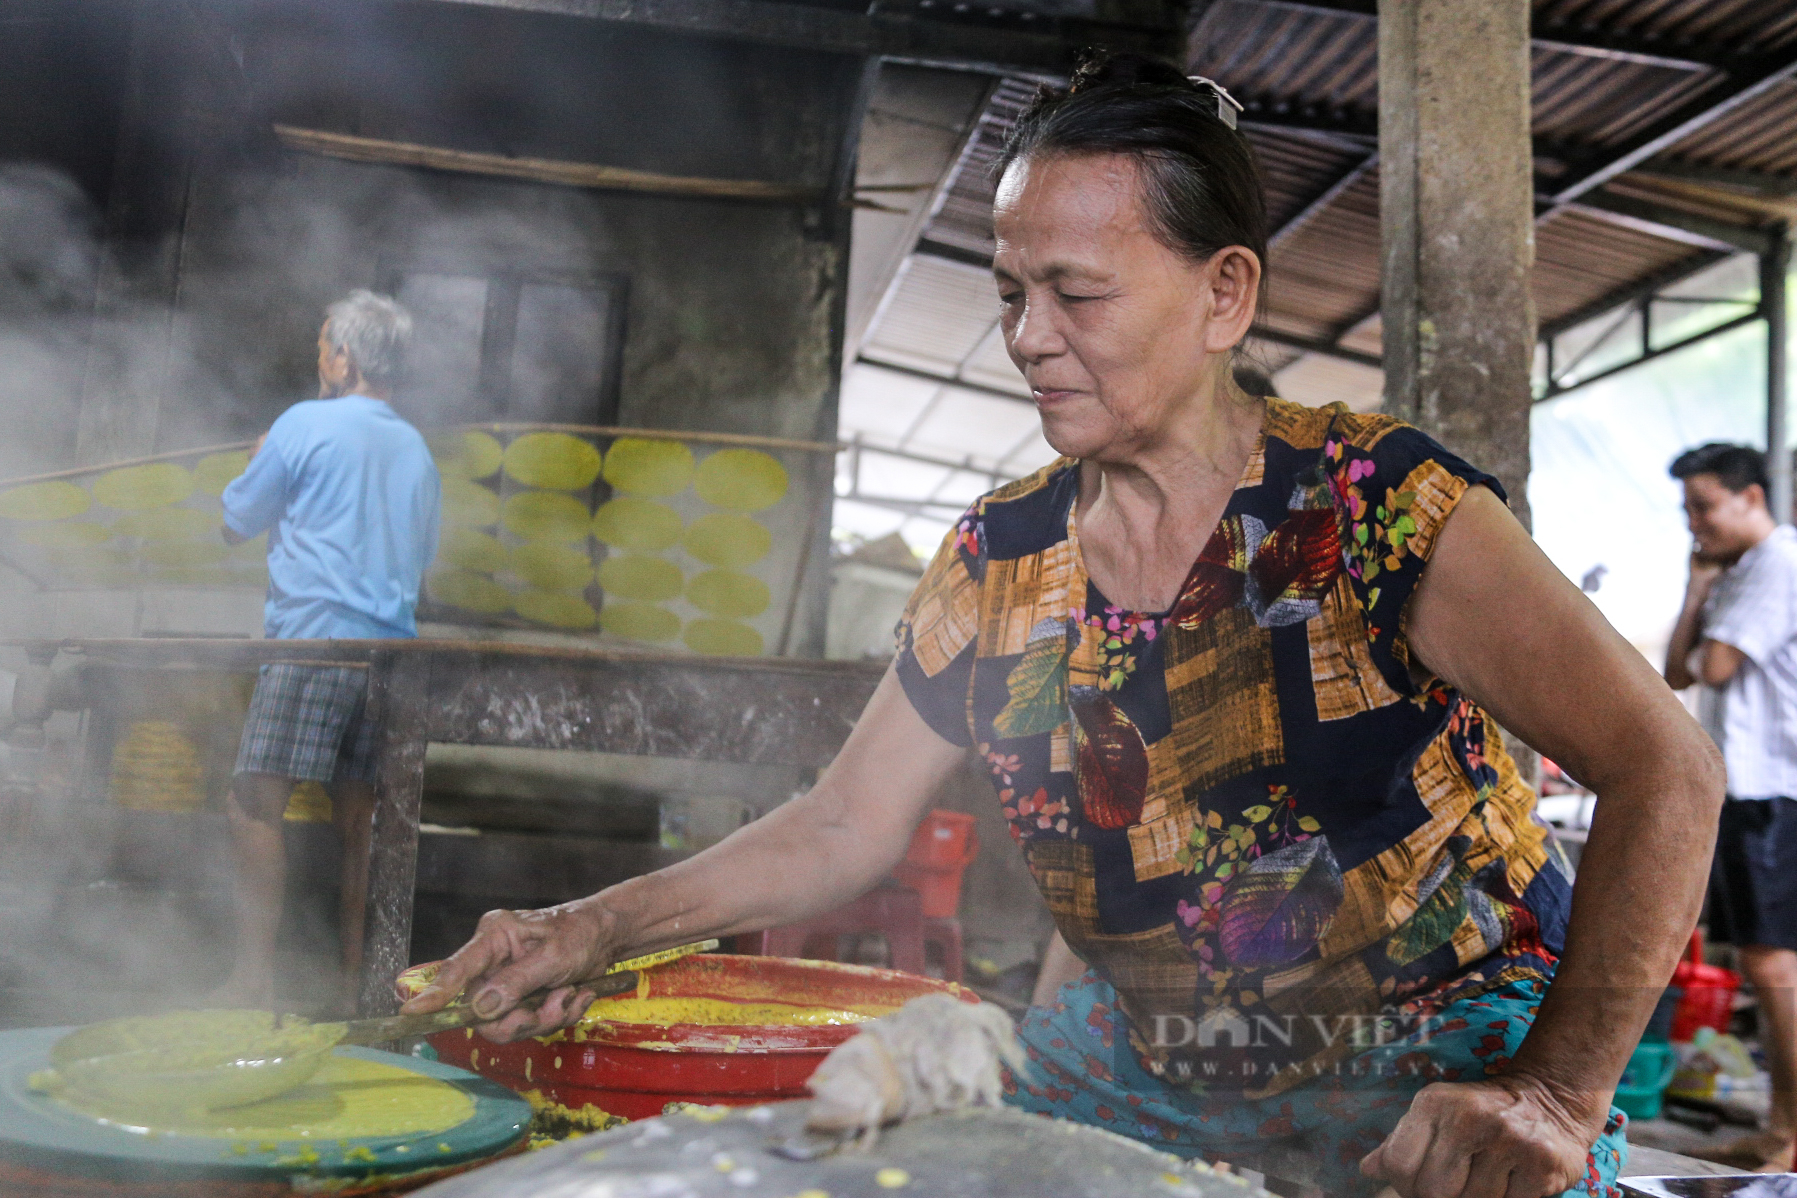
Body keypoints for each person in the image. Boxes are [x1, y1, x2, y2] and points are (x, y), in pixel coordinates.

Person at [404, 56, 1721, 1198]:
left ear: (1224, 297)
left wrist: (1554, 1093)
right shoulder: (1002, 555)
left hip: (1443, 1102)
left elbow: (1668, 767)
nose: (1027, 338)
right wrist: (589, 925)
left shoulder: (1375, 507)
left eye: (1076, 295)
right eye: (1008, 292)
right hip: (1150, 1081)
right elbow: (839, 823)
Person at [215, 289, 441, 1011]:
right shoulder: (415, 447)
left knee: (253, 804)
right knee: (360, 825)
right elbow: (422, 552)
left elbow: (234, 520)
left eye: (322, 348)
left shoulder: (303, 425)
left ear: (344, 357)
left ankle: (252, 981)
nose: (319, 361)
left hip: (313, 644)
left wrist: (258, 458)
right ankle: (357, 985)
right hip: (391, 657)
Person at [1664, 442, 1797, 1171]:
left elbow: (1712, 665)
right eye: (1686, 508)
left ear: (1750, 498)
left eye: (1704, 506)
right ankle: (1783, 1127)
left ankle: (1788, 1135)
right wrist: (1692, 591)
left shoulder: (1777, 563)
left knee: (1773, 963)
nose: (1693, 523)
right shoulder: (1739, 572)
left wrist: (1704, 596)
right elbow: (1674, 671)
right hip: (1750, 792)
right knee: (1765, 960)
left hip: (1771, 789)